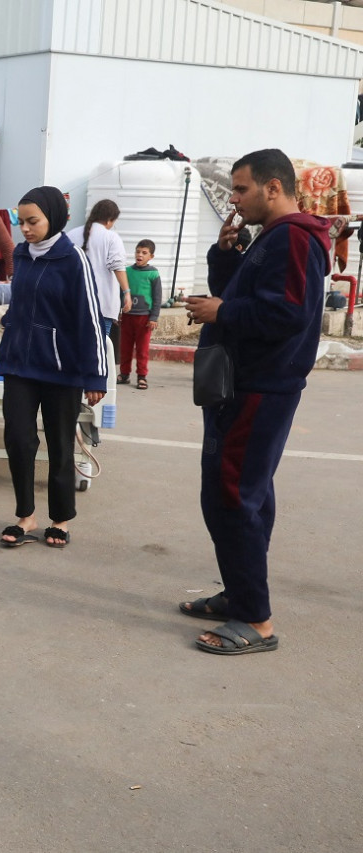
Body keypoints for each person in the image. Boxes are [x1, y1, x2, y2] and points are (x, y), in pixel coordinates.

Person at [181, 149, 328, 656]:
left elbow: (286, 314)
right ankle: (240, 593)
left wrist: (221, 310)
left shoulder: (292, 238)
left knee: (232, 494)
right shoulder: (273, 238)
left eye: (241, 189)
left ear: (273, 187)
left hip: (259, 388)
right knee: (244, 493)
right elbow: (250, 296)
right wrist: (226, 258)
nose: (235, 200)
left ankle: (256, 620)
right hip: (246, 386)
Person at [0, 187, 107, 549]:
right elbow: (25, 299)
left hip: (62, 370)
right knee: (18, 439)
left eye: (33, 222)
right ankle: (25, 516)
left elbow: (89, 318)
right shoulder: (21, 254)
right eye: (21, 221)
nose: (25, 229)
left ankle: (59, 519)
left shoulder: (73, 259)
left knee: (60, 445)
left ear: (53, 218)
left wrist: (95, 374)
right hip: (19, 364)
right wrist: (10, 319)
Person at [67, 199, 131, 352]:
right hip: (103, 304)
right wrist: (127, 292)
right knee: (98, 351)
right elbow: (118, 266)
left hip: (73, 304)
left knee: (74, 349)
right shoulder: (111, 237)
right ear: (110, 220)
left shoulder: (71, 234)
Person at [118, 239, 162, 390]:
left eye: (144, 253)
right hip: (127, 316)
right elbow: (120, 293)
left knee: (142, 349)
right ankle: (124, 374)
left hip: (144, 318)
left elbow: (157, 297)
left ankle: (142, 376)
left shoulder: (153, 273)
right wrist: (118, 311)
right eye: (138, 251)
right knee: (125, 347)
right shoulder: (127, 271)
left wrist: (154, 317)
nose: (140, 255)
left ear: (151, 256)